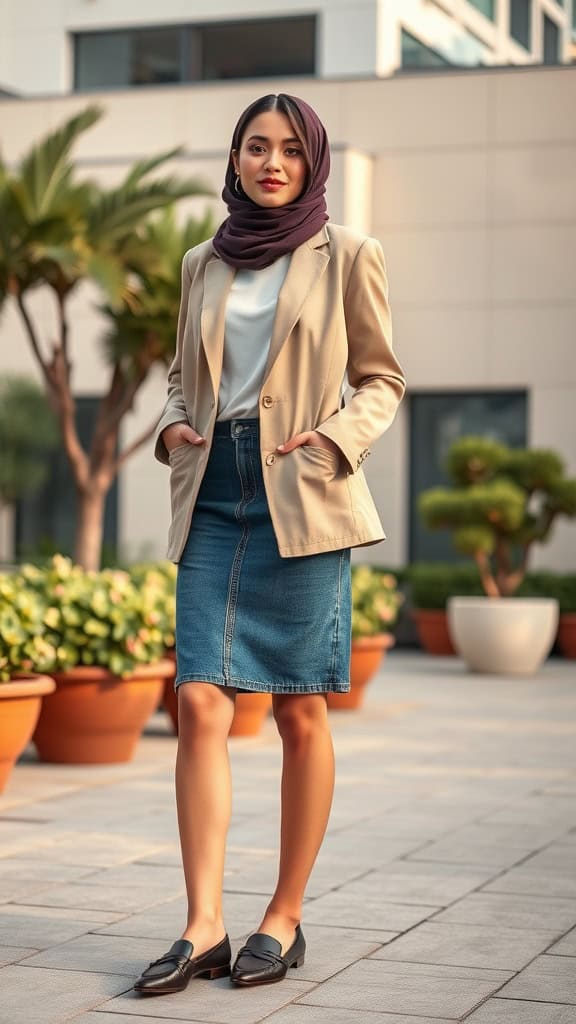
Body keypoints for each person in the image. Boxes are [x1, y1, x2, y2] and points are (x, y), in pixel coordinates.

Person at [134, 92, 406, 996]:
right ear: (237, 159)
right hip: (214, 490)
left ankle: (282, 918)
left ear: (312, 159)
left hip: (302, 487)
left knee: (297, 706)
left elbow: (381, 377)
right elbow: (181, 375)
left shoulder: (348, 255)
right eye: (257, 146)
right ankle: (203, 923)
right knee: (200, 701)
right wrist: (175, 428)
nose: (272, 161)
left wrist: (334, 439)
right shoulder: (201, 262)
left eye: (290, 148)